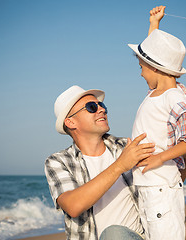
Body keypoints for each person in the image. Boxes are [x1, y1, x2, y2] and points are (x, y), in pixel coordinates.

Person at [127, 6, 186, 240]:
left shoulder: (174, 96)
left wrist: (159, 157)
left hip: (160, 189)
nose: (141, 74)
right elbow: (154, 53)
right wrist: (154, 24)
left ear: (155, 68)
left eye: (141, 68)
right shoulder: (157, 93)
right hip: (150, 186)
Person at [45, 85, 156, 240]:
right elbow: (73, 206)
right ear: (71, 123)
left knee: (114, 235)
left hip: (136, 236)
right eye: (91, 107)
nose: (102, 110)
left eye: (101, 105)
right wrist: (120, 165)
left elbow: (164, 181)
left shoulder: (127, 147)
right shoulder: (59, 161)